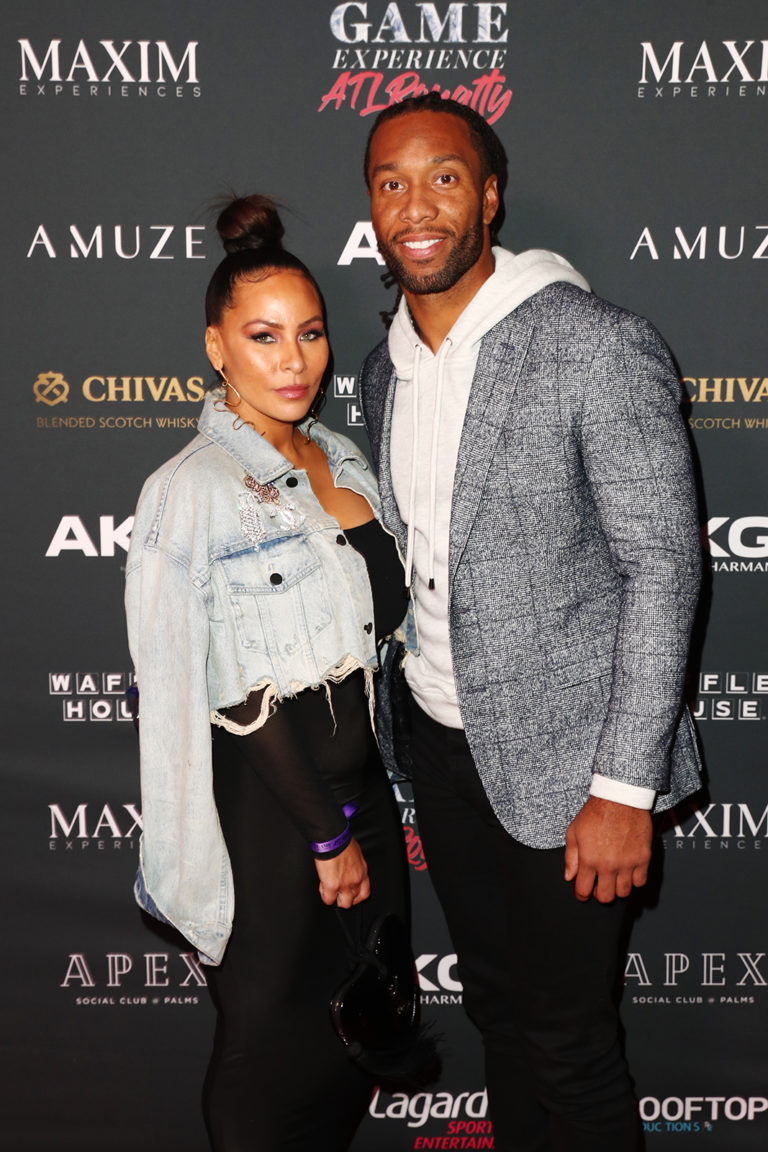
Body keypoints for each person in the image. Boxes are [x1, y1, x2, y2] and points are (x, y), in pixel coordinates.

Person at [358, 94, 703, 1152]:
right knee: (500, 1020)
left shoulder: (594, 345)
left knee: (566, 1041)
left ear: (491, 196)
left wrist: (622, 789)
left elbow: (665, 566)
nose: (416, 205)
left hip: (577, 770)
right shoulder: (382, 369)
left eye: (444, 177)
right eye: (391, 183)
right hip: (445, 748)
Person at [125, 194, 410, 1152]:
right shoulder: (187, 493)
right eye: (263, 336)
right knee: (261, 1051)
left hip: (367, 795)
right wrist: (327, 837)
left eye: (312, 334)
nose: (294, 360)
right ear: (217, 347)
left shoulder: (346, 460)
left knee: (350, 1041)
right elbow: (229, 691)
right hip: (274, 817)